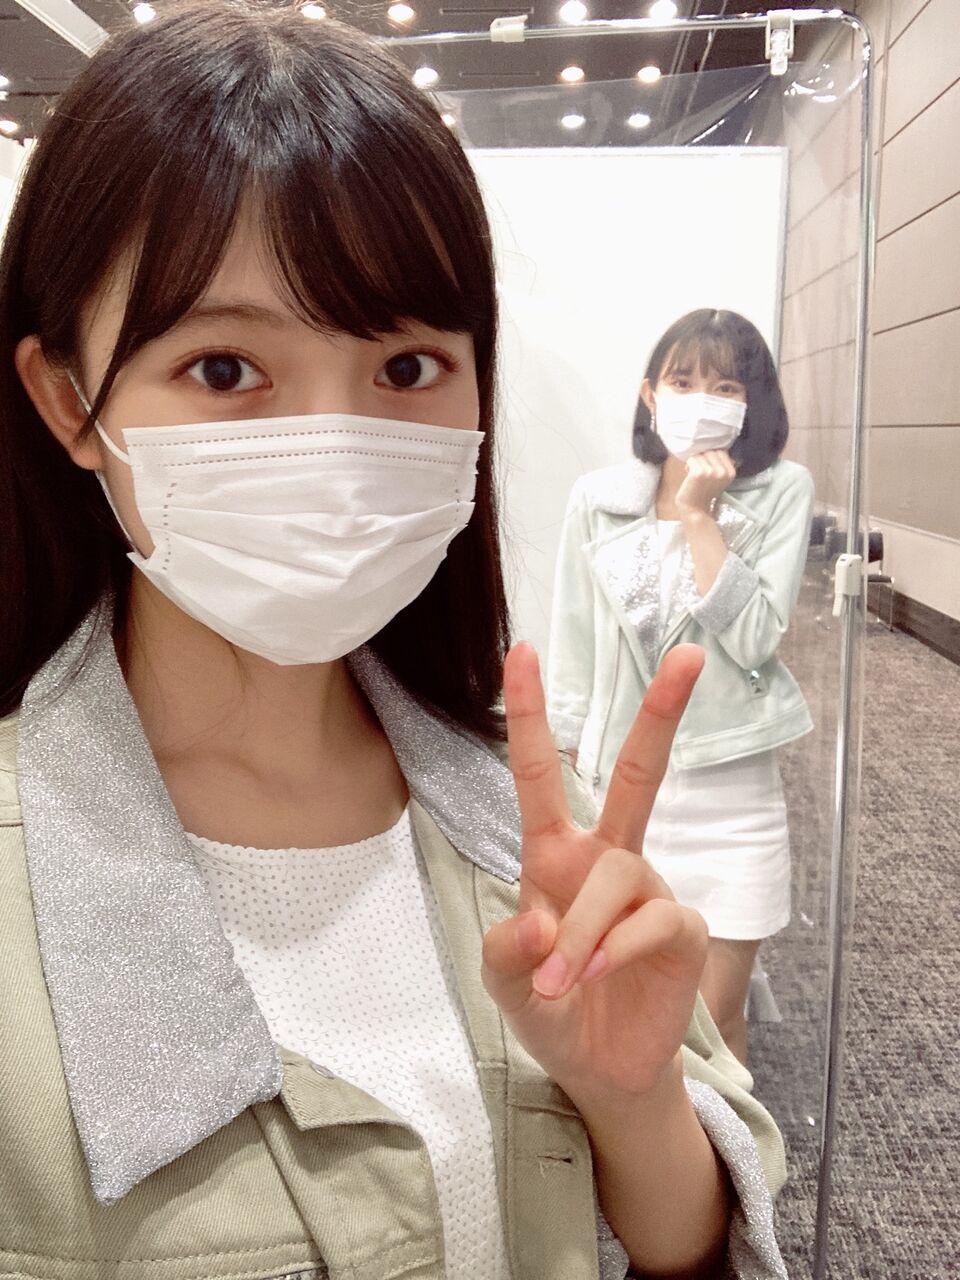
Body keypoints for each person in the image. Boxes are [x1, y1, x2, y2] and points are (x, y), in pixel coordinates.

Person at [0, 9, 787, 1277]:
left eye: (409, 366)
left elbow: (688, 1240)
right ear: (67, 400)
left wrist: (632, 1097)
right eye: (224, 368)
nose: (342, 450)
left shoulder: (513, 808)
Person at [548, 309, 814, 1065]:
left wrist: (699, 517)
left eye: (726, 386)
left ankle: (727, 1142)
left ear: (751, 404)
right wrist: (563, 764)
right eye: (684, 380)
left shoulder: (781, 492)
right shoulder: (599, 500)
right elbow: (573, 641)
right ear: (651, 394)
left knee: (716, 1020)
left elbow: (755, 638)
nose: (703, 399)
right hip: (622, 788)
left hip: (730, 797)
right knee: (628, 1014)